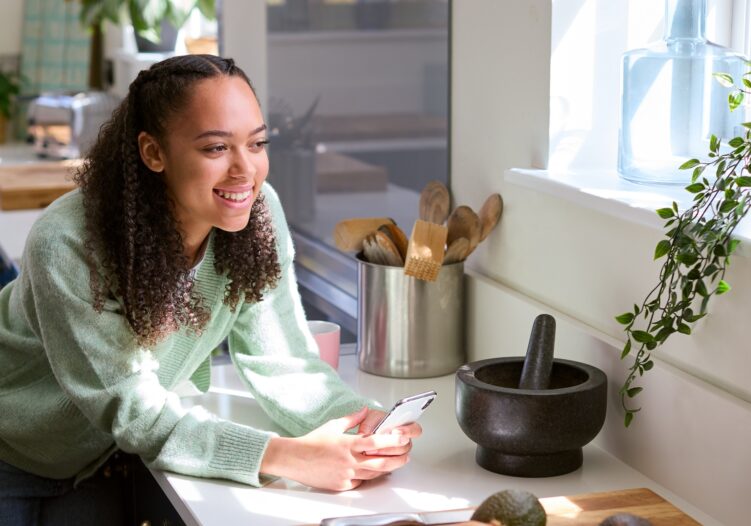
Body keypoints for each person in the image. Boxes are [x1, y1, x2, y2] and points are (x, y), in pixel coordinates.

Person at [0, 54, 421, 524]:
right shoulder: (68, 242)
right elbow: (135, 411)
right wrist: (291, 456)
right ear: (153, 152)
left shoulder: (256, 212)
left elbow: (280, 360)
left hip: (102, 458)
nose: (246, 170)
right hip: (13, 451)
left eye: (257, 143)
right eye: (216, 148)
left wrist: (362, 422)